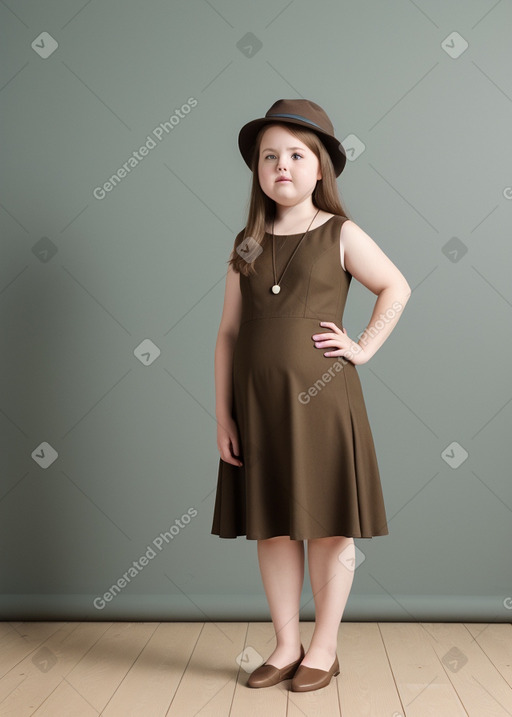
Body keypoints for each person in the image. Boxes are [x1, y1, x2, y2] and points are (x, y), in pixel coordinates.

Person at [211, 99, 411, 692]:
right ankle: (286, 644)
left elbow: (395, 287)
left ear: (319, 168)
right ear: (258, 171)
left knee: (328, 528)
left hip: (323, 403)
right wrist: (223, 414)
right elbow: (226, 334)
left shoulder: (340, 233)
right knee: (272, 526)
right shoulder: (247, 244)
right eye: (269, 156)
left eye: (297, 155)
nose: (282, 166)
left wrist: (364, 347)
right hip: (257, 409)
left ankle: (324, 648)